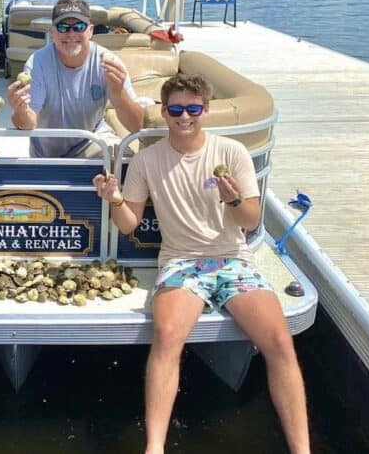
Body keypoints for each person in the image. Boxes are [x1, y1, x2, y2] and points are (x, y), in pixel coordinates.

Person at [92, 73, 310, 454]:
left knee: (279, 341)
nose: (184, 117)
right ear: (164, 111)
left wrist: (233, 200)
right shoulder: (146, 159)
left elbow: (250, 220)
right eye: (175, 109)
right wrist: (114, 199)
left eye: (193, 108)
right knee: (167, 337)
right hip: (181, 262)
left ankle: (302, 449)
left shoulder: (231, 153)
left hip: (233, 260)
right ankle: (155, 447)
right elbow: (129, 225)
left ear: (206, 110)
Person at [7, 0, 144, 158]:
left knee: (126, 162)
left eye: (79, 26)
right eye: (63, 27)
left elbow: (137, 126)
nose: (71, 34)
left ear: (91, 30)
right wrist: (20, 110)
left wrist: (120, 94)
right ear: (52, 32)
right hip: (47, 154)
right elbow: (27, 124)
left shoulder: (109, 62)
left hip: (91, 141)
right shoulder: (37, 63)